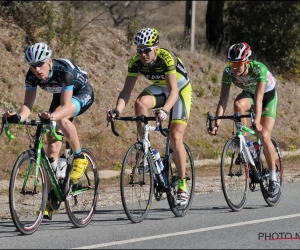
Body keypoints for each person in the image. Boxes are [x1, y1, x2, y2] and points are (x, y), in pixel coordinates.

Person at [2, 42, 94, 218]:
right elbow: (27, 106)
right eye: (32, 65)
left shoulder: (64, 71)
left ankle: (80, 157)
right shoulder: (31, 76)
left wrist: (52, 117)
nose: (36, 69)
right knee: (52, 145)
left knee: (62, 119)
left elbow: (66, 106)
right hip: (61, 95)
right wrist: (17, 117)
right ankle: (52, 199)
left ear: (49, 61)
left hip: (81, 92)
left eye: (40, 64)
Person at [106, 27, 193, 206]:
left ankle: (182, 184)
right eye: (139, 50)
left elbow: (173, 91)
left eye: (146, 50)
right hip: (160, 88)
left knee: (176, 136)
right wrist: (117, 110)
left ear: (156, 48)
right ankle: (146, 148)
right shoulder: (136, 62)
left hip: (179, 90)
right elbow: (126, 91)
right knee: (140, 103)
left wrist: (164, 111)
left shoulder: (166, 58)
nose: (143, 54)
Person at [207, 42, 279, 197]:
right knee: (238, 105)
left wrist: (257, 121)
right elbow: (223, 99)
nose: (234, 67)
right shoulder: (228, 72)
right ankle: (246, 145)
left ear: (247, 62)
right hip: (250, 93)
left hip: (267, 96)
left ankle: (273, 178)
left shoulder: (259, 69)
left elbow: (259, 99)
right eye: (232, 63)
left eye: (238, 63)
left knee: (264, 136)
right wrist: (217, 122)